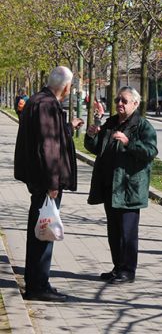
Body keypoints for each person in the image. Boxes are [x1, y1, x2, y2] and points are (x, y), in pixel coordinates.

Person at [14, 66, 84, 302]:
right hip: (45, 179)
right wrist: (52, 182)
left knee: (41, 228)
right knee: (45, 230)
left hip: (39, 177)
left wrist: (67, 127)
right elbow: (48, 146)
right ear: (66, 86)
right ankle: (37, 286)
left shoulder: (38, 101)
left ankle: (39, 281)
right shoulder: (47, 105)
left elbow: (47, 137)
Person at [84, 86, 158, 284]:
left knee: (127, 233)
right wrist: (92, 135)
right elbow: (96, 148)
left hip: (129, 188)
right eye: (118, 100)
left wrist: (128, 142)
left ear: (135, 103)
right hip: (110, 186)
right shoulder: (111, 123)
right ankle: (117, 267)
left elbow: (150, 152)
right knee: (114, 232)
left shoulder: (142, 126)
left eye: (124, 101)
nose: (119, 104)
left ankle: (127, 271)